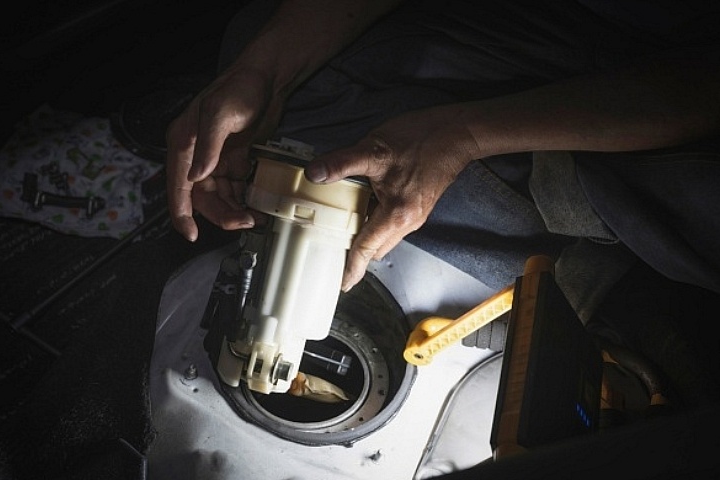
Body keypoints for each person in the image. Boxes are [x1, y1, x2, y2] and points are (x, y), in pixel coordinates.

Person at [166, 0, 720, 325]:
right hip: (586, 30)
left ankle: (614, 291)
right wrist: (265, 72)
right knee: (261, 46)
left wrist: (463, 135)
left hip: (684, 112)